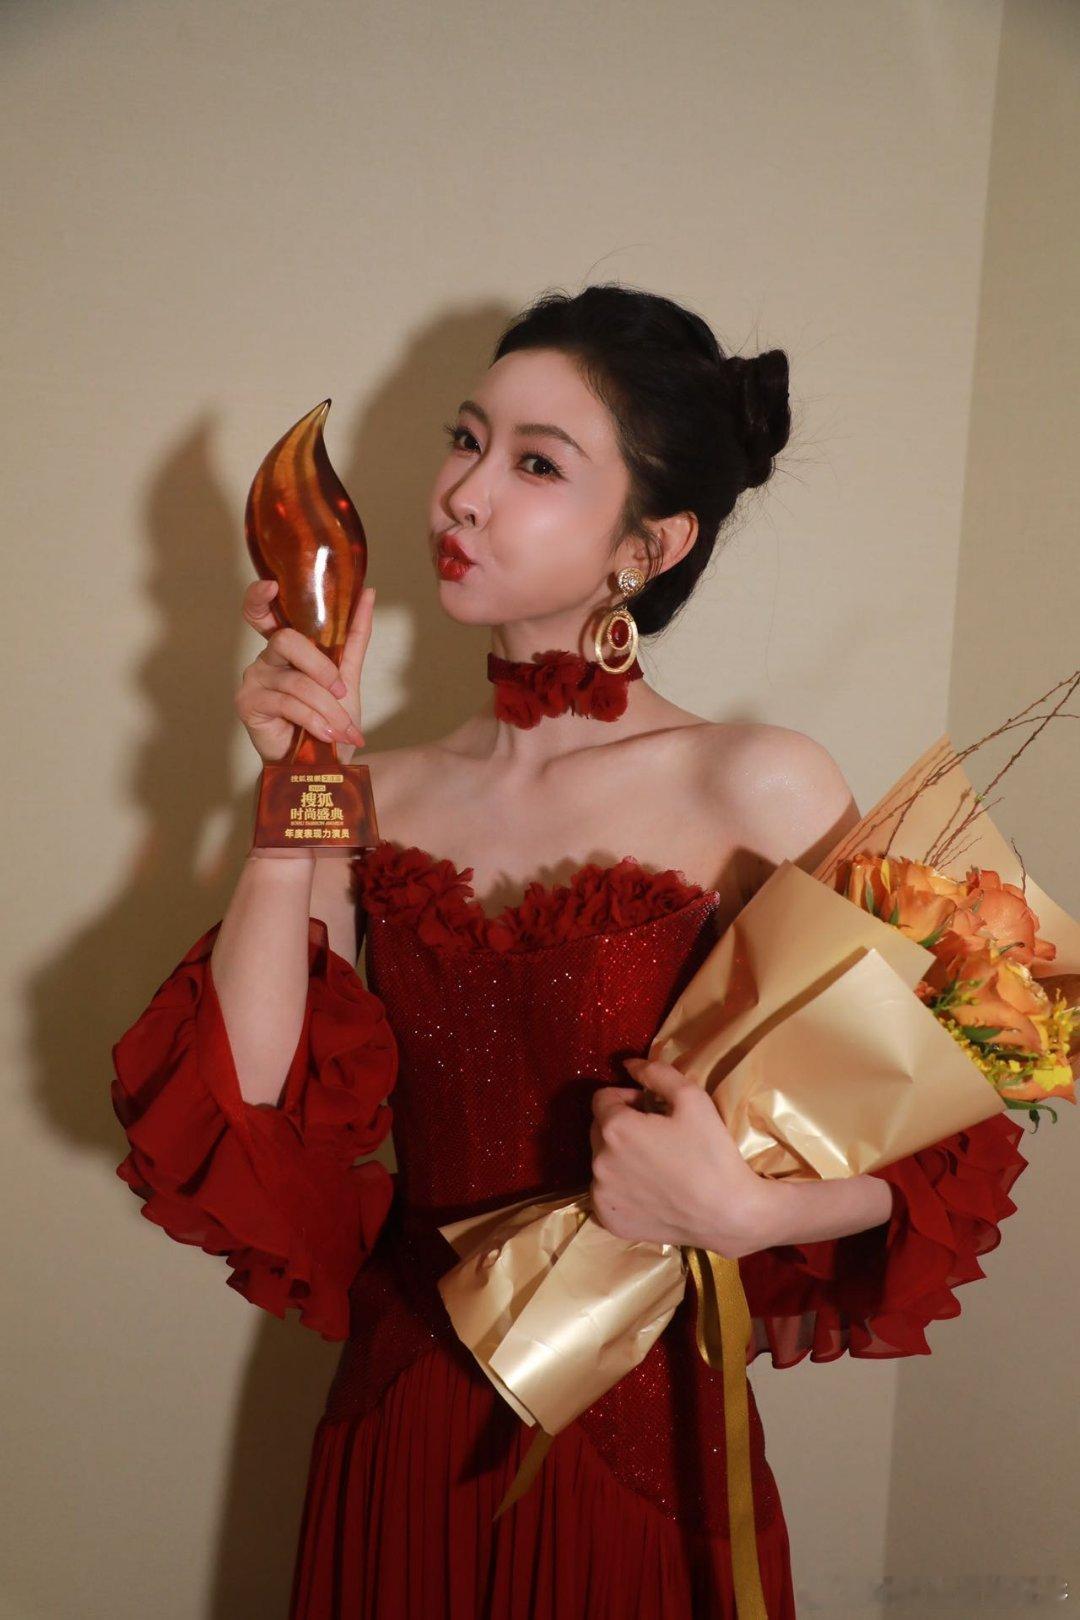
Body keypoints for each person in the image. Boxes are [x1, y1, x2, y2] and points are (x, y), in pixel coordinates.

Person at [110, 283, 1029, 1619]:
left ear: (648, 544)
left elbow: (988, 1079)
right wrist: (302, 772)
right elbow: (248, 1099)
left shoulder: (754, 777)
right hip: (399, 1426)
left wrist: (753, 1216)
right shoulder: (376, 790)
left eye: (536, 464)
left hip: (639, 1433)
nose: (463, 494)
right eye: (466, 439)